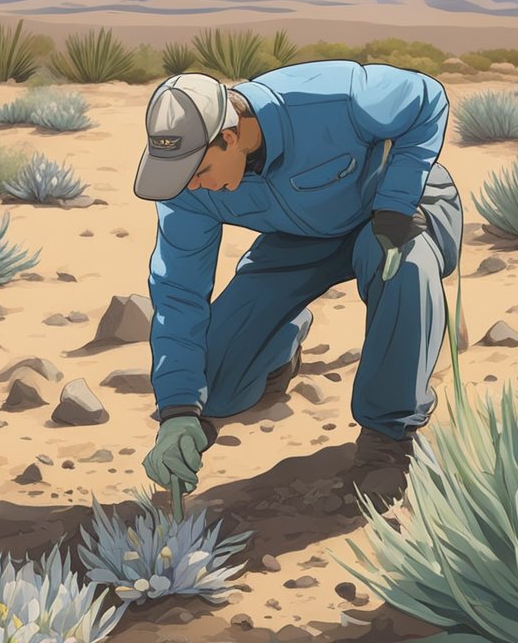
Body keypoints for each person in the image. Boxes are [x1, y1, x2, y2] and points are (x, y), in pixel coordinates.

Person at [134, 60, 463, 498]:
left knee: (404, 266)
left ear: (229, 137)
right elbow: (178, 292)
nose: (191, 186)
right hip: (299, 239)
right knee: (211, 393)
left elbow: (426, 99)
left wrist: (396, 202)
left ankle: (390, 438)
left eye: (198, 171)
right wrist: (176, 411)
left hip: (391, 216)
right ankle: (280, 352)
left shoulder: (330, 96)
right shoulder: (187, 192)